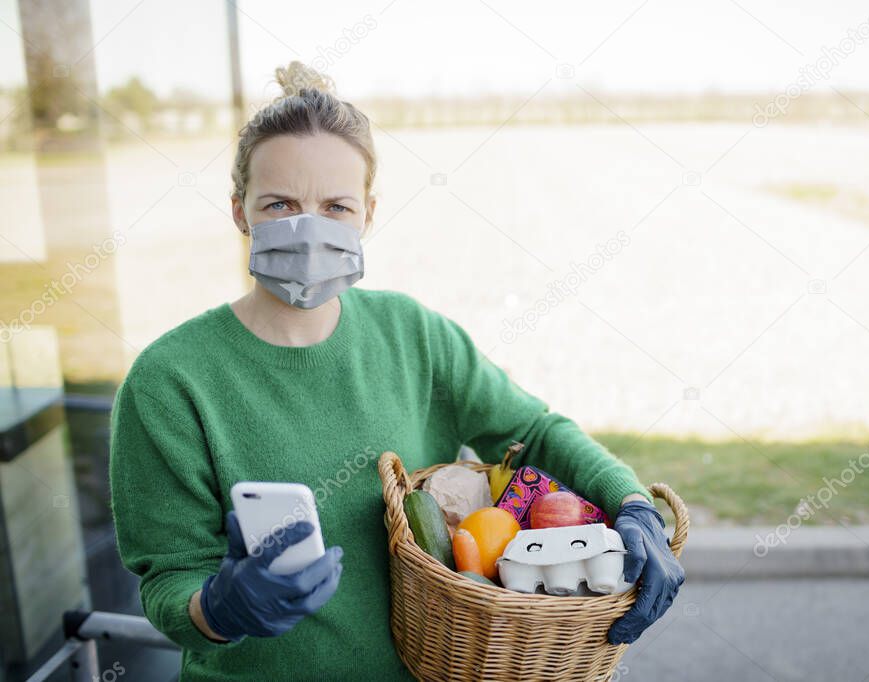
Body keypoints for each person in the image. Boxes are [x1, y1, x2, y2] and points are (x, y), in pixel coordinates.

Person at [109, 61, 684, 681]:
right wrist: (219, 609)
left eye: (336, 206)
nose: (310, 229)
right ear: (238, 211)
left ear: (369, 214)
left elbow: (532, 431)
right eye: (280, 204)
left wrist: (630, 502)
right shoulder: (170, 381)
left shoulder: (413, 336)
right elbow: (169, 580)